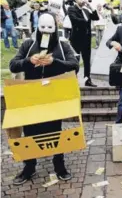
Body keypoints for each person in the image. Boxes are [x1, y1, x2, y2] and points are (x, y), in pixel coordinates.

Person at [9, 13, 79, 185]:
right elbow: (13, 64)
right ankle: (29, 166)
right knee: (30, 132)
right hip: (31, 95)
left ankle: (59, 166)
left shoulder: (63, 46)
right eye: (42, 28)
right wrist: (28, 60)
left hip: (53, 95)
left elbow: (75, 65)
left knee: (55, 131)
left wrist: (54, 62)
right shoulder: (28, 44)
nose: (46, 32)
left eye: (49, 28)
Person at [68, 0, 99, 87]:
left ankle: (87, 79)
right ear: (76, 0)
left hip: (87, 39)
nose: (83, 1)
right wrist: (86, 21)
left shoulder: (86, 10)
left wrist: (90, 6)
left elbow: (96, 18)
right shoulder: (71, 9)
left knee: (87, 60)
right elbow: (75, 20)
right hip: (76, 39)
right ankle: (73, 79)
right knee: (75, 60)